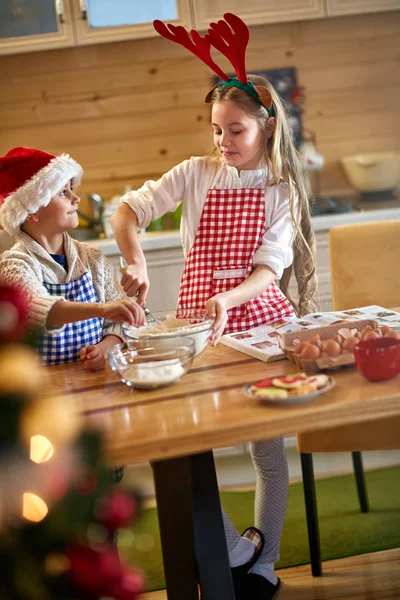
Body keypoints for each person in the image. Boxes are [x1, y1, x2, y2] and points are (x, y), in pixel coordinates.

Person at [110, 13, 318, 599]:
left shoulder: (280, 191)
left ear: (266, 128)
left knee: (266, 451)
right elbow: (129, 210)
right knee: (184, 441)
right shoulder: (196, 174)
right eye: (216, 130)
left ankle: (264, 566)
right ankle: (233, 547)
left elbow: (268, 271)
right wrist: (138, 261)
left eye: (235, 131)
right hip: (199, 328)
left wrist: (229, 296)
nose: (222, 143)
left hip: (258, 323)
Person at [0, 146, 145, 371]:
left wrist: (104, 349)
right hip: (43, 393)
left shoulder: (92, 258)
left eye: (72, 189)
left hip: (94, 387)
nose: (76, 198)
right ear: (31, 212)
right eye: (62, 192)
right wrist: (102, 308)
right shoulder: (15, 264)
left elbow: (116, 323)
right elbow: (44, 310)